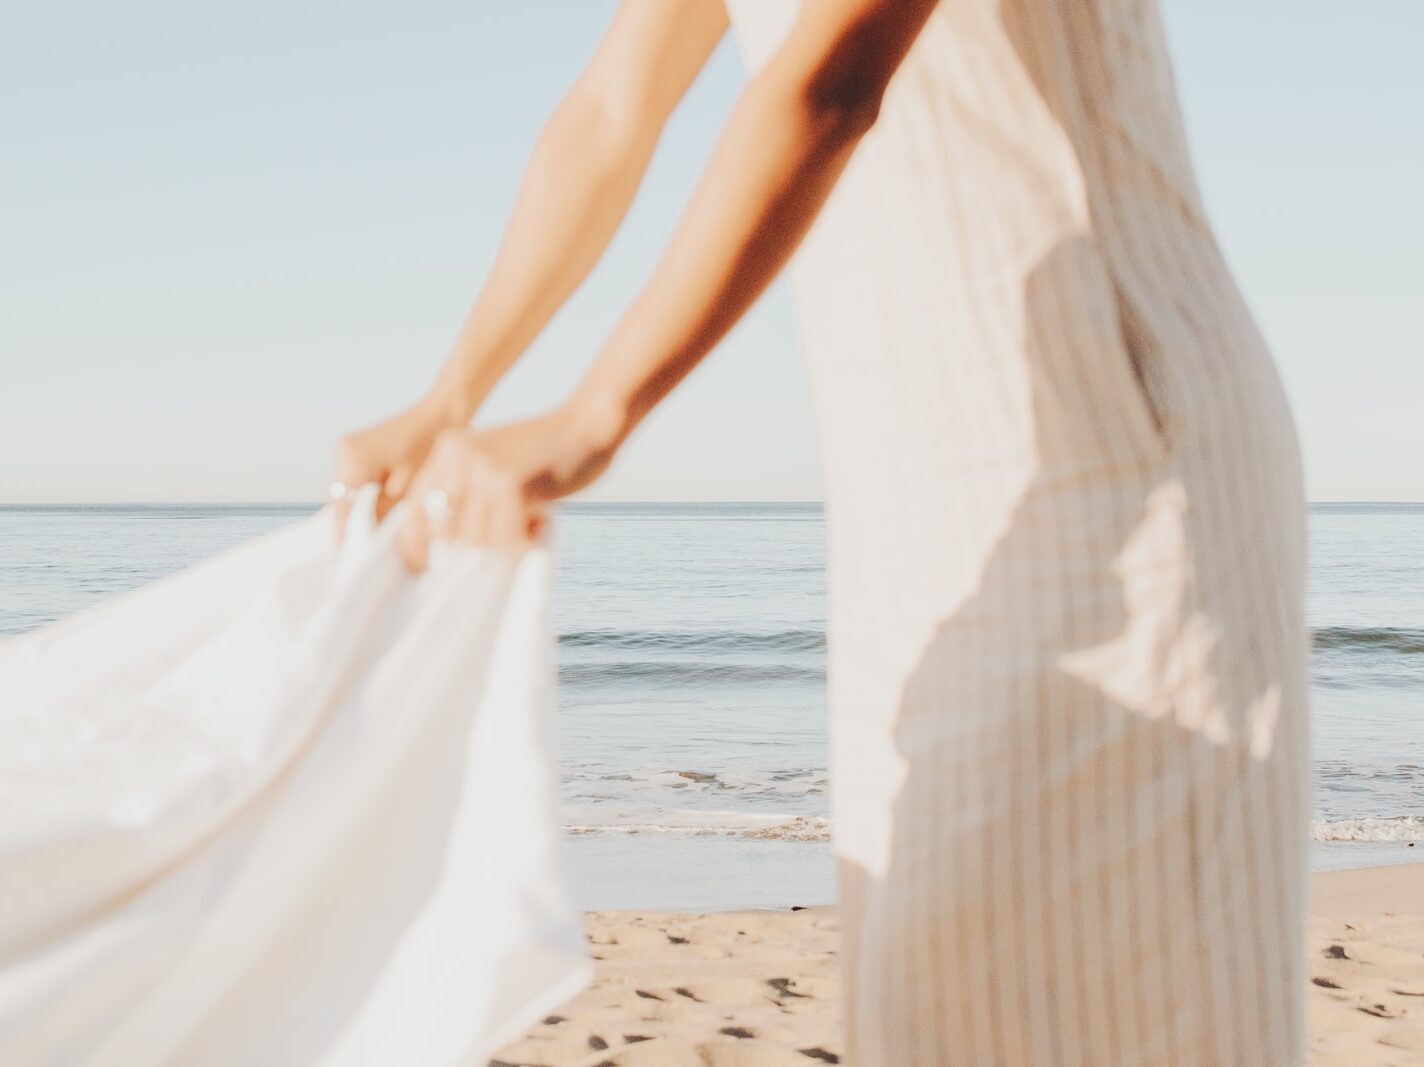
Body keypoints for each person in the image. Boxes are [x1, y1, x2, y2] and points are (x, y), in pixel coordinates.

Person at [333, 1, 1311, 1063]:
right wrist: (454, 393)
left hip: (1119, 437)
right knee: (937, 998)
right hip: (918, 483)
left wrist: (594, 411)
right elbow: (611, 112)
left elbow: (829, 84)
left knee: (1134, 1006)